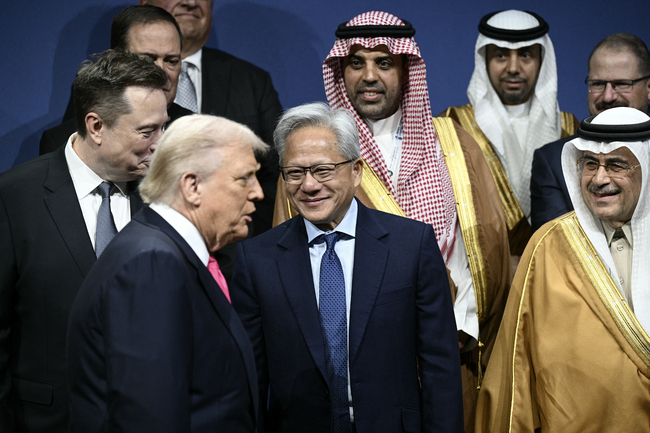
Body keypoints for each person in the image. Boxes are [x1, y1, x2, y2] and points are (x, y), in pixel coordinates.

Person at [273, 12, 510, 431]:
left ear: (405, 68)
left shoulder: (454, 143)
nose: (369, 76)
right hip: (352, 370)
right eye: (356, 63)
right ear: (340, 71)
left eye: (383, 62)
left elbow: (482, 248)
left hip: (447, 351)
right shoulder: (310, 160)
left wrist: (459, 324)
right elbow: (289, 264)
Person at [232, 102, 463, 433]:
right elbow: (248, 380)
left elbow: (440, 366)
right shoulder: (257, 259)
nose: (309, 185)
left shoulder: (411, 245)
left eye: (323, 170)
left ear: (356, 171)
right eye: (295, 173)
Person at [0, 50, 168, 433]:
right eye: (147, 131)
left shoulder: (167, 195)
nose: (160, 143)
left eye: (164, 127)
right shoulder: (13, 198)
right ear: (96, 126)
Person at [67, 114, 264, 432]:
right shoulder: (151, 264)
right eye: (244, 178)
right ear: (192, 186)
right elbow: (150, 417)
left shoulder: (165, 252)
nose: (258, 193)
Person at [476, 106, 650, 432]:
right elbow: (514, 375)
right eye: (590, 164)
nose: (599, 179)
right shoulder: (548, 245)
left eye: (616, 165)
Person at [139, 0, 283, 238]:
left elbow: (276, 176)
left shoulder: (251, 81)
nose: (190, 2)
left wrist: (238, 240)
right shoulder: (105, 87)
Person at [440, 10, 578, 254]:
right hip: (478, 272)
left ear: (541, 60)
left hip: (556, 266)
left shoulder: (569, 128)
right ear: (485, 59)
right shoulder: (452, 125)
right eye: (501, 55)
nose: (513, 68)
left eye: (525, 55)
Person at [531, 33, 650, 231]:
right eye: (598, 84)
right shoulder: (553, 162)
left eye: (622, 84)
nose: (608, 96)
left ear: (648, 87)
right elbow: (556, 243)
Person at [40, 5, 192, 156]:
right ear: (115, 61)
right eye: (147, 59)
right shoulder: (63, 142)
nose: (161, 72)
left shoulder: (198, 133)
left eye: (171, 61)